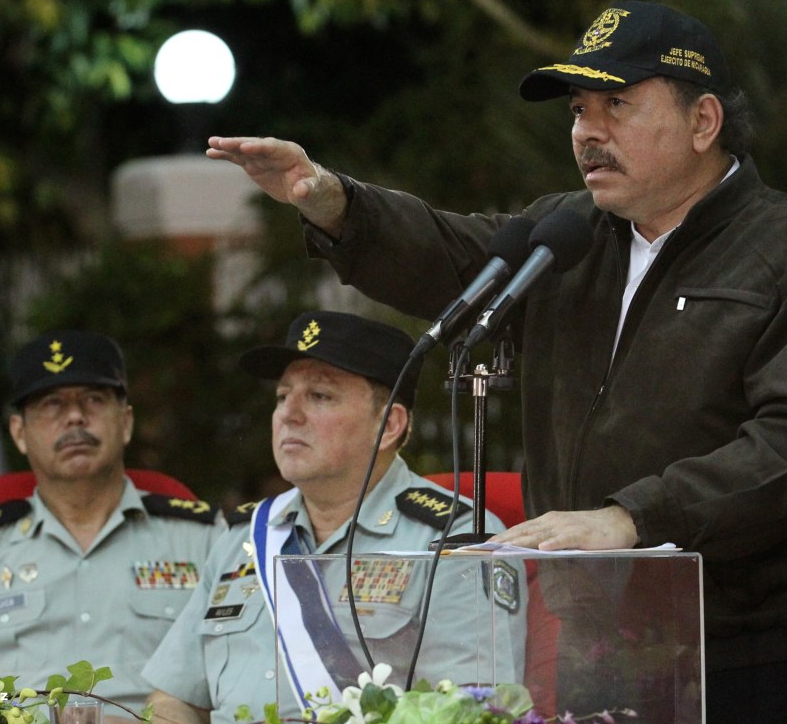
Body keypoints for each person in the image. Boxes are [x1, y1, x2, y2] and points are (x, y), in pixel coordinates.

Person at [201, 0, 787, 724]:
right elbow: (451, 256)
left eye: (617, 104)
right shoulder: (566, 232)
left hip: (748, 658)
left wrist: (633, 517)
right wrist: (336, 205)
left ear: (703, 121)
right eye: (579, 110)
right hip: (594, 656)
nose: (588, 131)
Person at [142, 310, 526, 724]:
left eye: (319, 396)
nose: (289, 414)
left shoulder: (456, 540)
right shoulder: (244, 538)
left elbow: (472, 711)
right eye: (282, 396)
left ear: (389, 424)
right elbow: (173, 699)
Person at [0, 330, 222, 718]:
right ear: (19, 433)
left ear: (126, 422)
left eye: (93, 399)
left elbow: (256, 672)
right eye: (51, 405)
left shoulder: (202, 538)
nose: (74, 417)